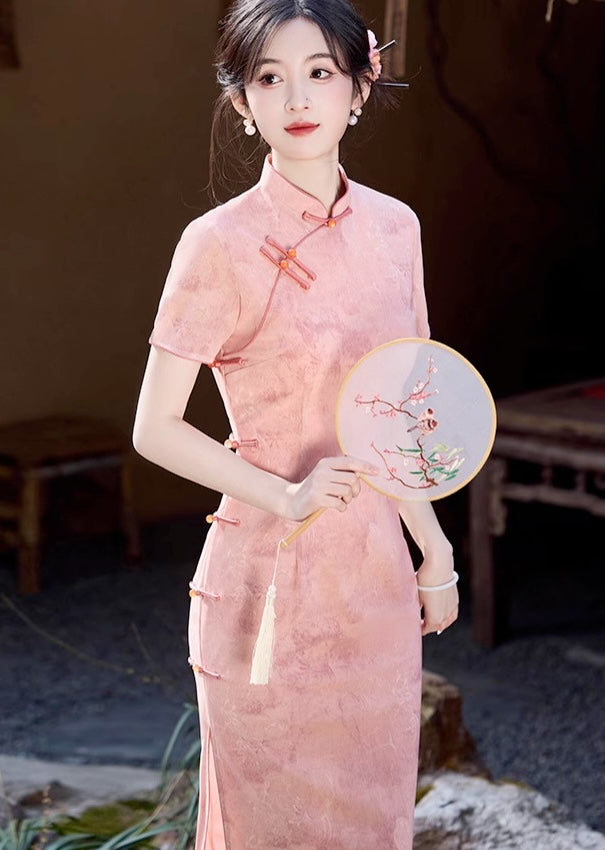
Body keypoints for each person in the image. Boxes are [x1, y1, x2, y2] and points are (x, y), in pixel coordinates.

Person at [133, 1, 459, 847]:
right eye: (269, 78)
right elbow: (154, 428)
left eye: (319, 72)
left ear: (360, 86)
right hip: (263, 587)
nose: (297, 98)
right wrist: (285, 495)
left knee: (374, 823)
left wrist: (432, 548)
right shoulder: (216, 243)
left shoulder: (395, 228)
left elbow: (397, 411)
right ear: (242, 101)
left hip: (374, 586)